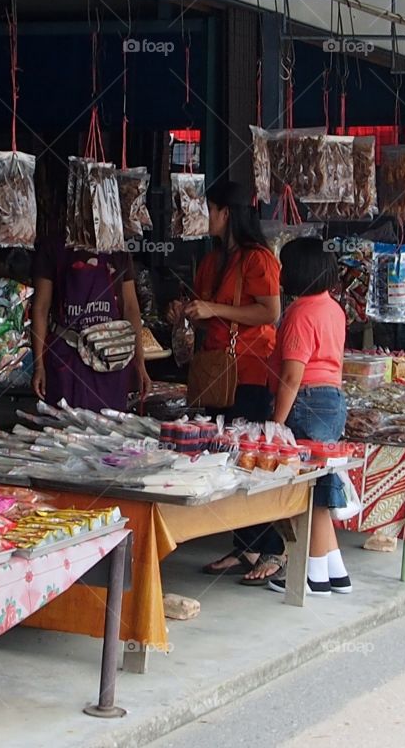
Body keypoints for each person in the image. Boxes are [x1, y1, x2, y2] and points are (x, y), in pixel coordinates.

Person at [167, 179, 283, 582]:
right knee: (222, 459)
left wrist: (212, 307)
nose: (207, 216)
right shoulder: (213, 261)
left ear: (227, 213)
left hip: (250, 372)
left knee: (246, 460)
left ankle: (271, 547)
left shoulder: (258, 259)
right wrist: (185, 312)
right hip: (218, 370)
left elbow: (269, 313)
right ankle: (246, 544)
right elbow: (208, 313)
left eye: (211, 208)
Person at [263, 238, 351, 597]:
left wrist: (276, 423)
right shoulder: (333, 308)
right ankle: (332, 569)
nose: (282, 273)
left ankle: (311, 575)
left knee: (307, 487)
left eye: (285, 265)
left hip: (307, 400)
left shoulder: (301, 312)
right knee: (322, 482)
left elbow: (291, 376)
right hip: (331, 399)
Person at [30, 207, 151, 413]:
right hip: (68, 359)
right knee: (64, 436)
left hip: (112, 361)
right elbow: (40, 308)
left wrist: (140, 363)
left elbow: (131, 308)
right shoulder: (53, 247)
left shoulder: (117, 248)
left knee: (110, 436)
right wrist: (39, 364)